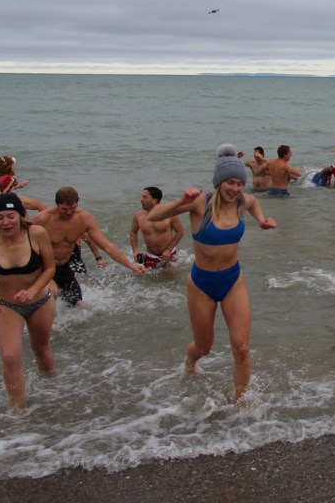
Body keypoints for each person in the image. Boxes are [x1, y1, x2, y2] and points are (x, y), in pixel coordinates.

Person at [146, 144, 276, 405]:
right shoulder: (199, 203)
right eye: (230, 182)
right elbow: (153, 216)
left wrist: (261, 221)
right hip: (201, 283)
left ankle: (241, 402)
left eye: (240, 183)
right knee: (203, 347)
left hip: (232, 281)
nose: (235, 189)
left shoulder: (243, 201)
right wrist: (181, 201)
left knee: (241, 348)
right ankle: (189, 361)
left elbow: (255, 203)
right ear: (219, 182)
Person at [31, 187, 144, 306]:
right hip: (44, 267)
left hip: (64, 267)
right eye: (64, 209)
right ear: (57, 204)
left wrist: (131, 265)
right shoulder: (42, 219)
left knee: (77, 305)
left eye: (72, 208)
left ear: (77, 203)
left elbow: (106, 246)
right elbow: (22, 241)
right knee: (52, 294)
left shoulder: (84, 219)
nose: (69, 213)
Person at [0, 192, 57, 409]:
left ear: (21, 216)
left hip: (39, 302)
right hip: (6, 305)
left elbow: (50, 268)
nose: (5, 222)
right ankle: (18, 412)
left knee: (40, 349)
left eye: (10, 216)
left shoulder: (36, 233)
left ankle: (52, 388)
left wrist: (32, 291)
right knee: (10, 356)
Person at [130, 187, 184, 268]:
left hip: (169, 254)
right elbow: (133, 232)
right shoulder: (138, 216)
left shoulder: (169, 213)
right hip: (150, 257)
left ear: (154, 200)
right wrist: (135, 250)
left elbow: (180, 232)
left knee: (171, 277)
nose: (141, 199)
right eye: (142, 197)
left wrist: (168, 250)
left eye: (145, 197)